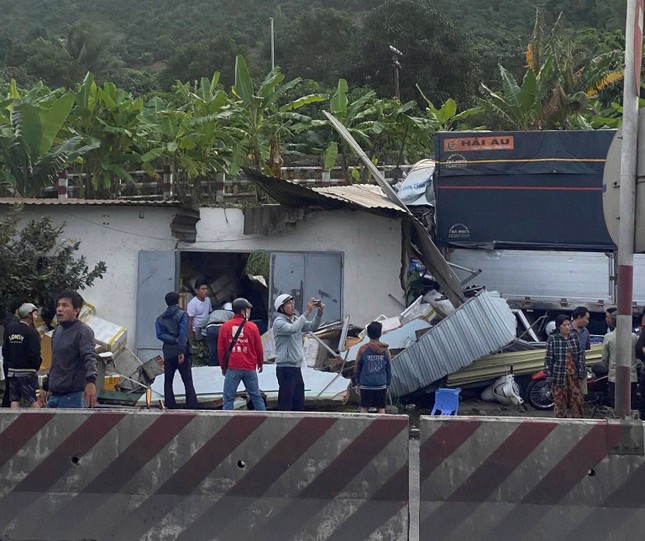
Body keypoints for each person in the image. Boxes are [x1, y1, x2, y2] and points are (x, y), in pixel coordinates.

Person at [44, 290, 98, 409]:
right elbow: (55, 362)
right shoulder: (57, 332)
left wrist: (91, 382)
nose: (59, 309)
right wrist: (45, 386)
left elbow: (90, 357)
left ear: (76, 310)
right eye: (58, 305)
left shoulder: (83, 331)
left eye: (65, 305)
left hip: (73, 397)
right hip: (54, 396)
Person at [272, 294, 324, 411]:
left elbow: (312, 326)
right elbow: (292, 329)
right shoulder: (278, 322)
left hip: (296, 366)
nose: (292, 306)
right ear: (281, 308)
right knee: (286, 401)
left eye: (293, 303)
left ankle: (296, 426)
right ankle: (283, 425)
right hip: (285, 366)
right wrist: (306, 312)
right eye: (289, 304)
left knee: (298, 400)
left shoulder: (296, 320)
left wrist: (319, 313)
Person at [217, 298, 265, 410]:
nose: (250, 312)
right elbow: (258, 347)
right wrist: (260, 363)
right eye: (248, 310)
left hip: (233, 367)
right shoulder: (252, 327)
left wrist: (223, 366)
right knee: (256, 396)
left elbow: (221, 349)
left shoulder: (225, 326)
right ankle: (265, 420)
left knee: (228, 398)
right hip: (249, 367)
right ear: (243, 311)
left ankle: (226, 423)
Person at [155, 291, 199, 409]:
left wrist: (171, 340)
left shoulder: (160, 318)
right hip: (181, 351)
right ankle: (192, 405)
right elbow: (183, 333)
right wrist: (181, 350)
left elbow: (159, 335)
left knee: (168, 380)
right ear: (178, 300)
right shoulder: (182, 314)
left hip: (168, 352)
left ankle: (170, 404)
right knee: (187, 380)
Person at [544, 314, 585, 418]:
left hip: (574, 375)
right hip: (559, 375)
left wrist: (581, 370)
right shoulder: (553, 339)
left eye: (568, 325)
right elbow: (549, 358)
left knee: (577, 400)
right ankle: (560, 421)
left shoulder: (574, 337)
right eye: (564, 325)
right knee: (559, 401)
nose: (567, 327)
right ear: (559, 326)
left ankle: (578, 421)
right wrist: (548, 373)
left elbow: (580, 355)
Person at [2, 302, 42, 408]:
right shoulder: (32, 332)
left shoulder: (10, 330)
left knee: (14, 399)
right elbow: (34, 354)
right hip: (28, 372)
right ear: (29, 315)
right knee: (33, 399)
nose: (36, 317)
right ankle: (38, 423)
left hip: (12, 372)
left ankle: (13, 423)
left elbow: (5, 351)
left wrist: (11, 364)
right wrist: (36, 365)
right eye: (35, 314)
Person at [601, 312, 639, 408]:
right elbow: (638, 355)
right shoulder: (634, 337)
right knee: (630, 405)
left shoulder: (608, 337)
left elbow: (604, 358)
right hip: (631, 376)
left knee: (616, 405)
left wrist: (608, 369)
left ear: (613, 322)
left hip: (614, 376)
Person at [354, 321, 392, 414]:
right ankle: (382, 428)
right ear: (380, 334)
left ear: (368, 334)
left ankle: (363, 427)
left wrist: (357, 383)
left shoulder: (363, 349)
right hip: (381, 385)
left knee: (364, 408)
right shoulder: (385, 349)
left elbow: (357, 367)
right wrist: (388, 384)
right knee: (381, 408)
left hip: (366, 385)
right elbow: (389, 368)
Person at [1, 298, 24, 408]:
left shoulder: (9, 322)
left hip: (8, 361)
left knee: (10, 390)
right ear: (17, 309)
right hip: (12, 362)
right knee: (12, 391)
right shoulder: (14, 324)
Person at [198, 302, 233, 366]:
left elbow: (199, 326)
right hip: (223, 328)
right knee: (225, 347)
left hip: (210, 328)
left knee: (212, 348)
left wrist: (199, 338)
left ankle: (212, 364)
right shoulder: (232, 314)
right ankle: (224, 363)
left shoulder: (214, 312)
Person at [187, 279, 212, 364]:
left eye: (206, 289)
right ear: (197, 290)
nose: (205, 291)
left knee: (207, 353)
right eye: (203, 289)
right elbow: (189, 320)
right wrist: (191, 336)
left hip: (207, 330)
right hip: (196, 331)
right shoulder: (193, 303)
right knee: (198, 355)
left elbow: (209, 314)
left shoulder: (208, 300)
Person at [569, 306, 591, 394]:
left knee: (581, 396)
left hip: (581, 370)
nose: (588, 321)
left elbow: (586, 348)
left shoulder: (585, 332)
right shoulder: (566, 330)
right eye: (586, 319)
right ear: (579, 317)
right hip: (567, 371)